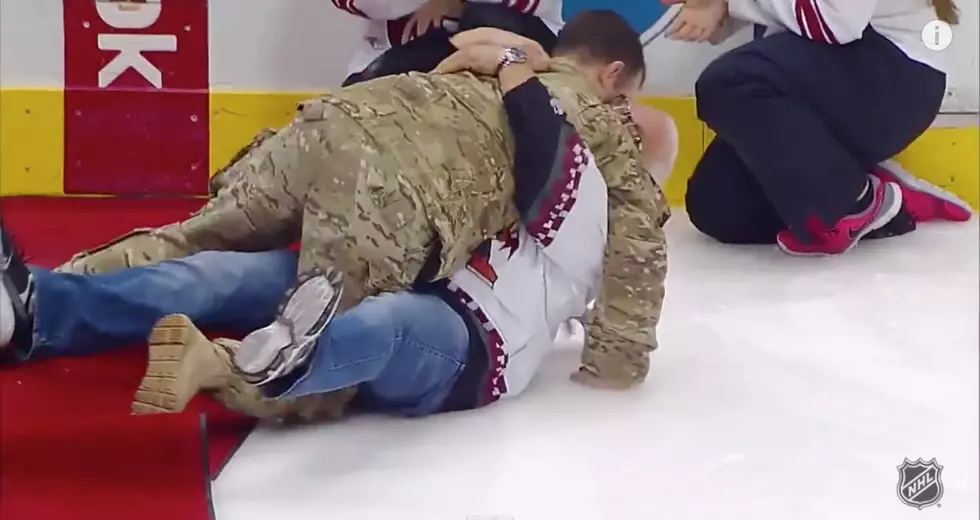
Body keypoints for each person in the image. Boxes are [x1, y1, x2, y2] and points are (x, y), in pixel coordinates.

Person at [0, 77, 677, 420]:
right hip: (424, 274)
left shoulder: (605, 205)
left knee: (376, 328)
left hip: (475, 338)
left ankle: (235, 368)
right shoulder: (577, 196)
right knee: (228, 278)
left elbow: (550, 143)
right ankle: (38, 306)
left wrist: (511, 68)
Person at [661, 0, 972, 256]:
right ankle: (872, 192)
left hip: (896, 79)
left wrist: (728, 3)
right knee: (718, 207)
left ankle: (852, 202)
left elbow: (831, 21)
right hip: (837, 76)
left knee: (730, 83)